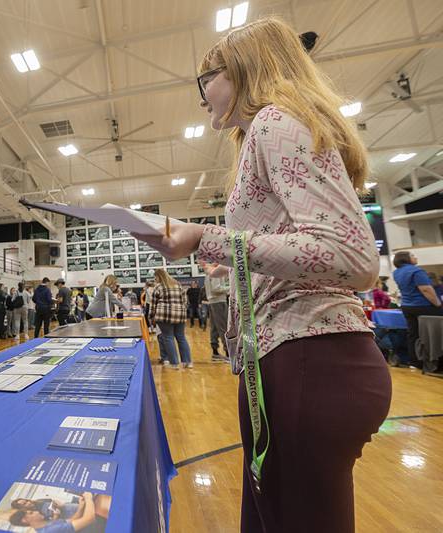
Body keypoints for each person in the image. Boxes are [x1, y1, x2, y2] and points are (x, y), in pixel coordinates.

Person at [133, 18, 391, 532]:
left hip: (308, 361)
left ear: (244, 69)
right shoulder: (265, 134)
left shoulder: (274, 122)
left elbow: (351, 253)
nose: (203, 92)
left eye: (209, 76)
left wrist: (205, 238)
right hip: (294, 362)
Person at [392, 251, 443, 367]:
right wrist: (438, 304)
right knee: (435, 331)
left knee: (413, 333)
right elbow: (426, 289)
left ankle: (415, 361)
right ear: (406, 258)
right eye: (413, 256)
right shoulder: (417, 271)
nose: (415, 257)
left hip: (407, 306)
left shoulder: (396, 272)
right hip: (423, 306)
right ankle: (436, 359)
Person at [150, 268, 191, 368]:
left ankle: (174, 363)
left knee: (168, 338)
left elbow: (153, 305)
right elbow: (185, 302)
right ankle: (188, 362)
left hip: (164, 316)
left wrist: (151, 317)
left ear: (158, 277)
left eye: (155, 277)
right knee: (181, 337)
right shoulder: (178, 285)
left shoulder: (158, 287)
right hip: (179, 315)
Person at [202, 260, 230, 361]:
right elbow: (216, 288)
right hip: (218, 302)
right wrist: (230, 288)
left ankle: (215, 352)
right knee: (223, 327)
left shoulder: (208, 273)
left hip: (212, 302)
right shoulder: (215, 272)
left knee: (214, 328)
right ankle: (228, 354)